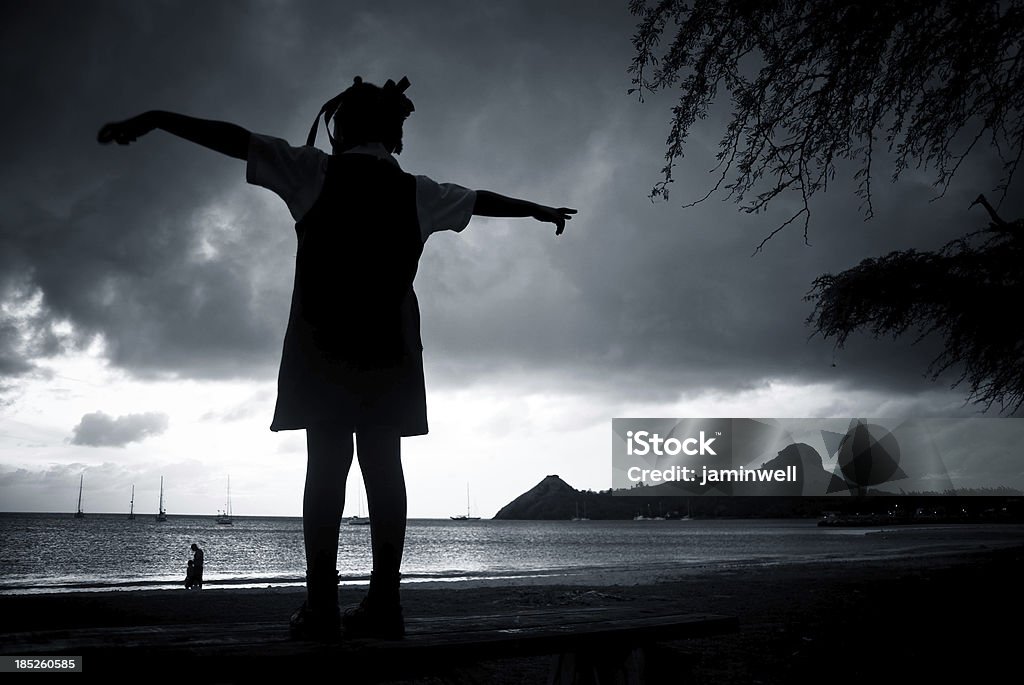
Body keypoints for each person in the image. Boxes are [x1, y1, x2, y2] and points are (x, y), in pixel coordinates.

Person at [98, 76, 576, 640]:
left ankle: (321, 605)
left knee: (325, 470)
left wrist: (156, 116)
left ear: (341, 127)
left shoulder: (311, 173)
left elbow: (233, 139)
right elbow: (483, 200)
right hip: (390, 350)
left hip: (321, 348)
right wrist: (541, 210)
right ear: (393, 134)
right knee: (384, 470)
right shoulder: (419, 193)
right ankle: (385, 605)